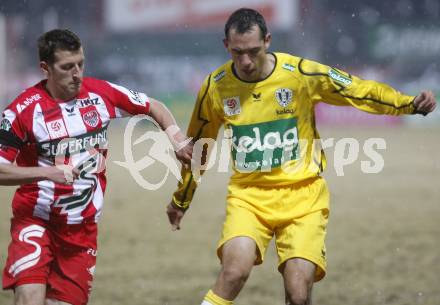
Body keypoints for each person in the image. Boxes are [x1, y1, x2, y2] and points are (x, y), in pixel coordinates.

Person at [166, 8, 437, 305]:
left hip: (303, 197)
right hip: (248, 197)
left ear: (268, 41)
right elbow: (199, 149)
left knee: (298, 293)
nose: (245, 61)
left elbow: (357, 90)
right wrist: (182, 198)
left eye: (253, 51)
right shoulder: (215, 87)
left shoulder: (301, 75)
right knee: (233, 272)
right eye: (237, 52)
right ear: (226, 46)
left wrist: (408, 104)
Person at [0, 29, 192, 305]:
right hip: (37, 220)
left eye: (80, 63)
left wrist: (176, 138)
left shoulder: (102, 94)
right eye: (67, 67)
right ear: (45, 69)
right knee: (30, 298)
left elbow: (155, 106)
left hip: (82, 231)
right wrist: (46, 172)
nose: (77, 73)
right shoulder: (23, 111)